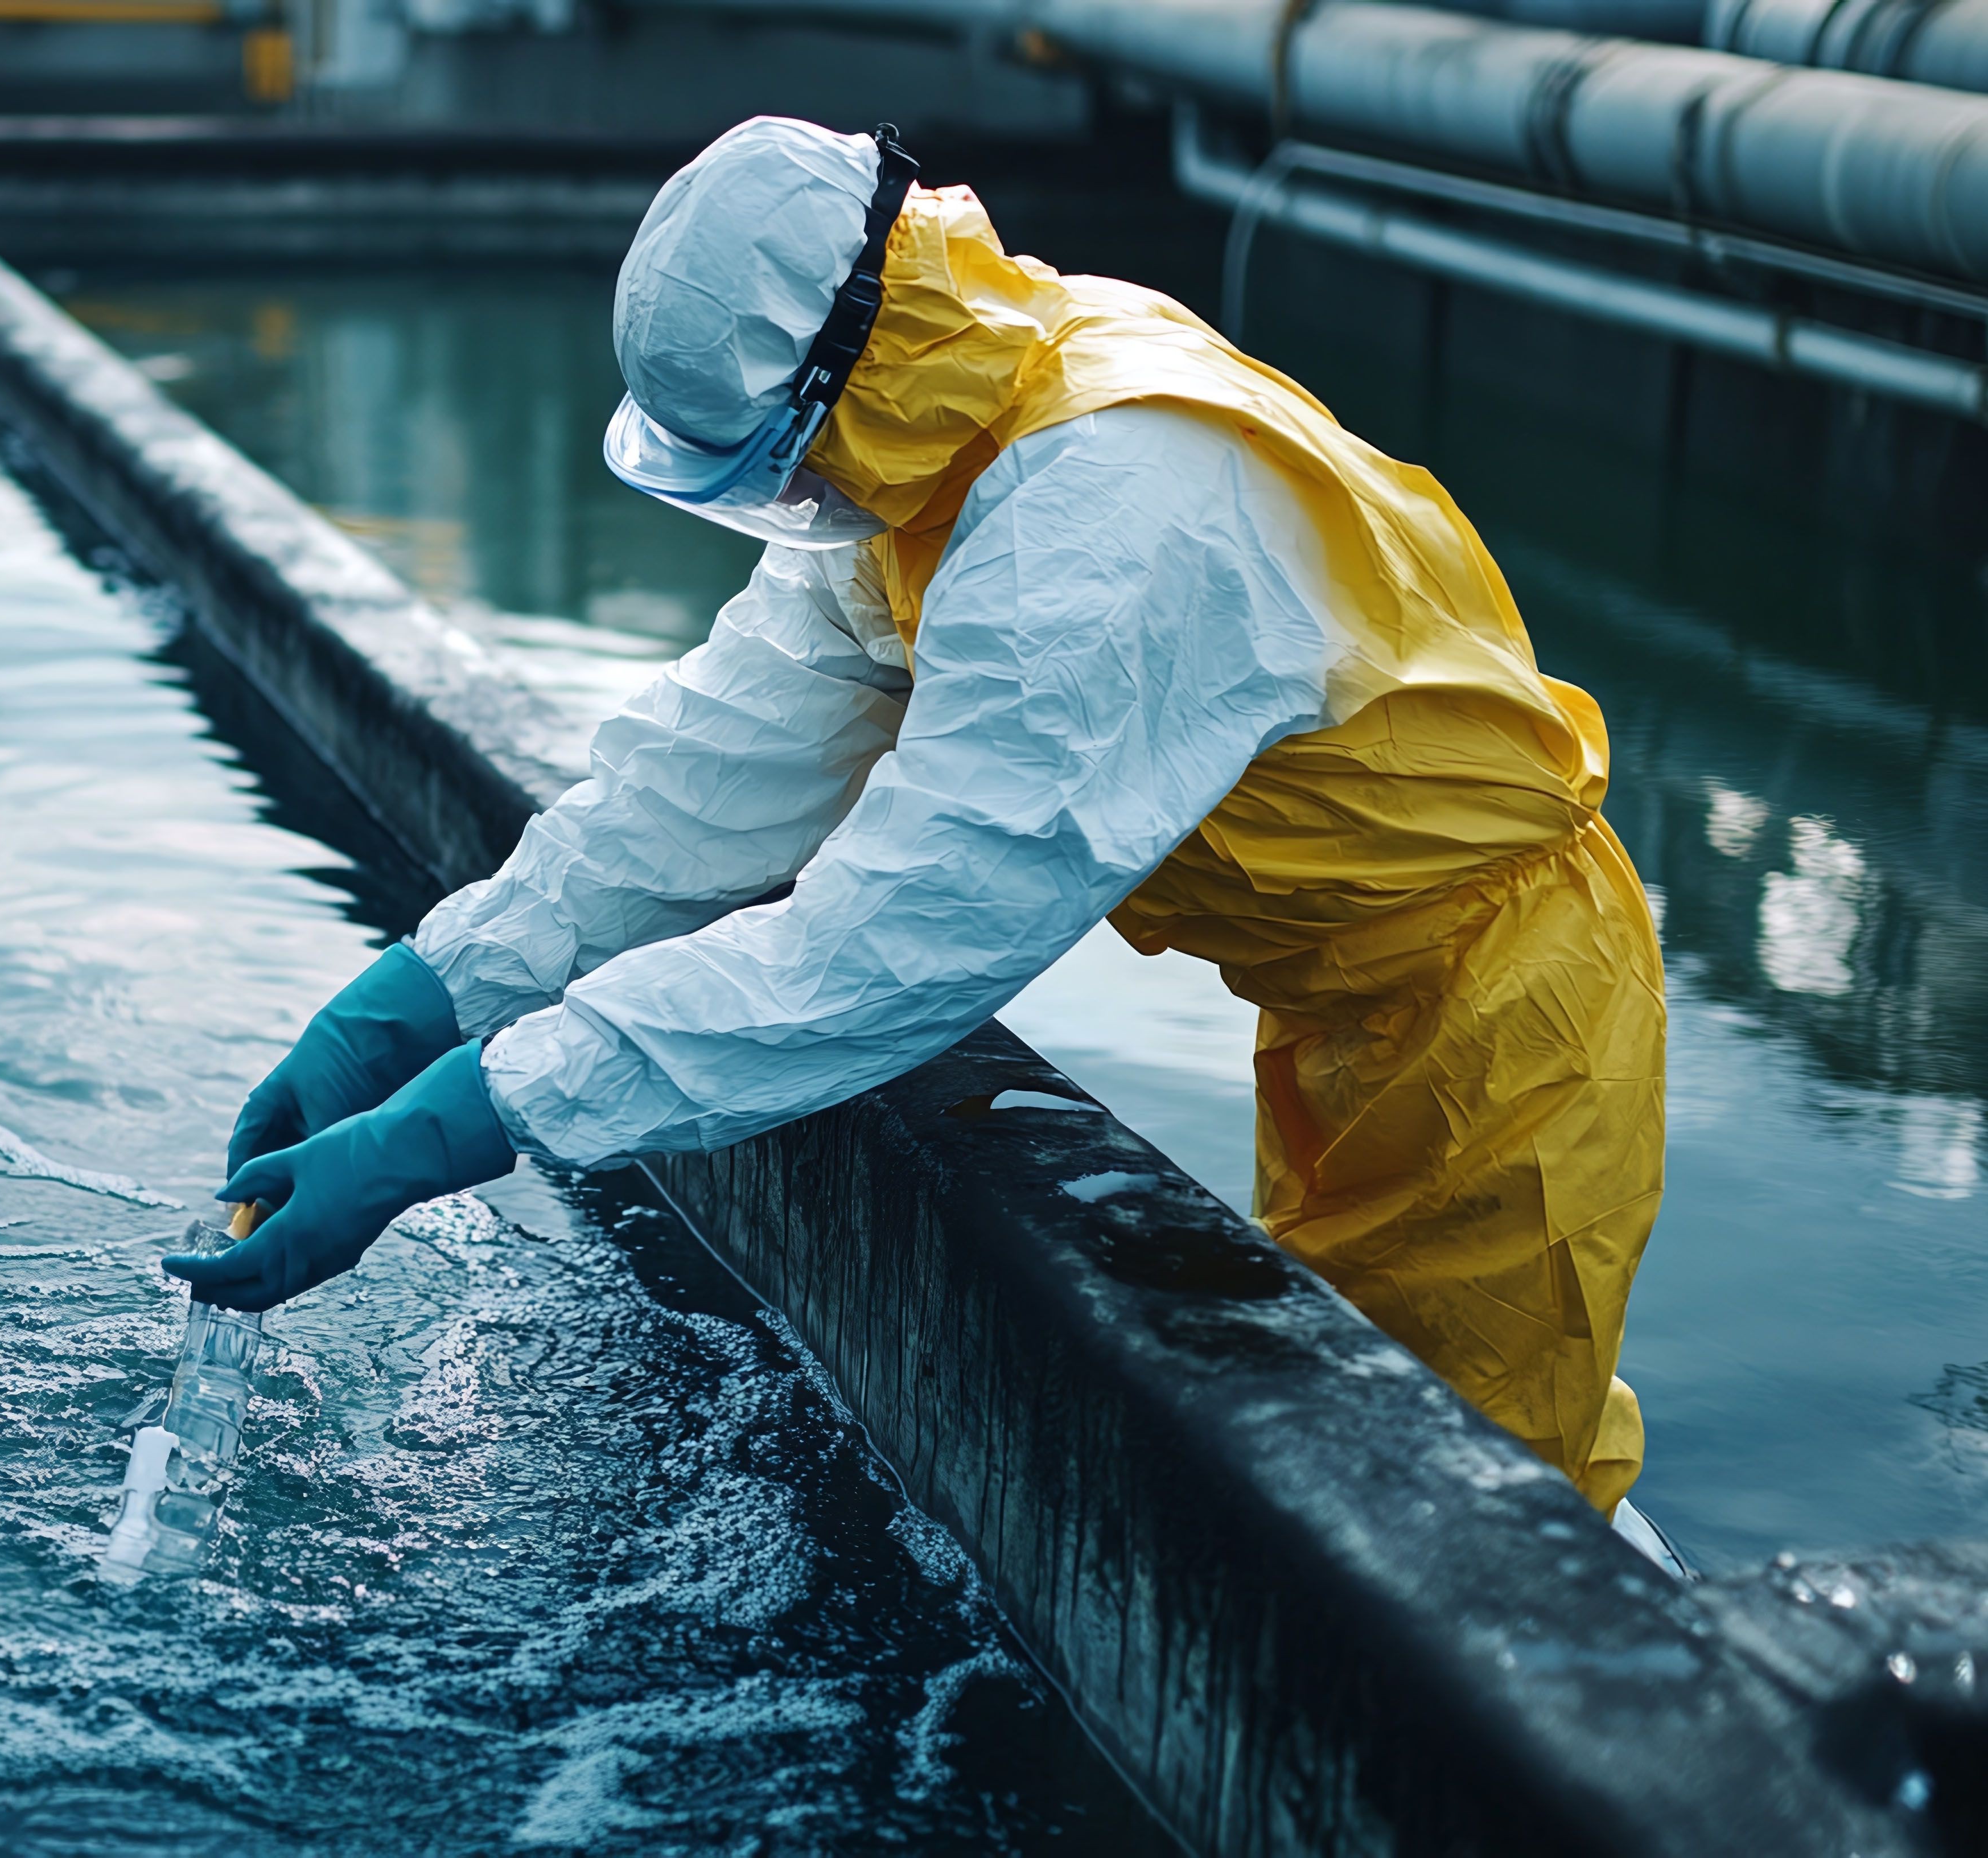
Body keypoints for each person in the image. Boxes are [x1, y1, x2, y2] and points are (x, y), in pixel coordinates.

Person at [165, 116, 1667, 1518]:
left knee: (1476, 1501)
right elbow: (703, 779)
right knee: (1356, 1431)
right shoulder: (940, 443)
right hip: (1341, 997)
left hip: (1497, 1008)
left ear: (845, 374)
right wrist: (423, 993)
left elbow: (895, 939)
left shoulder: (1109, 502)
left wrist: (479, 1111)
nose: (796, 501)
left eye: (773, 464)